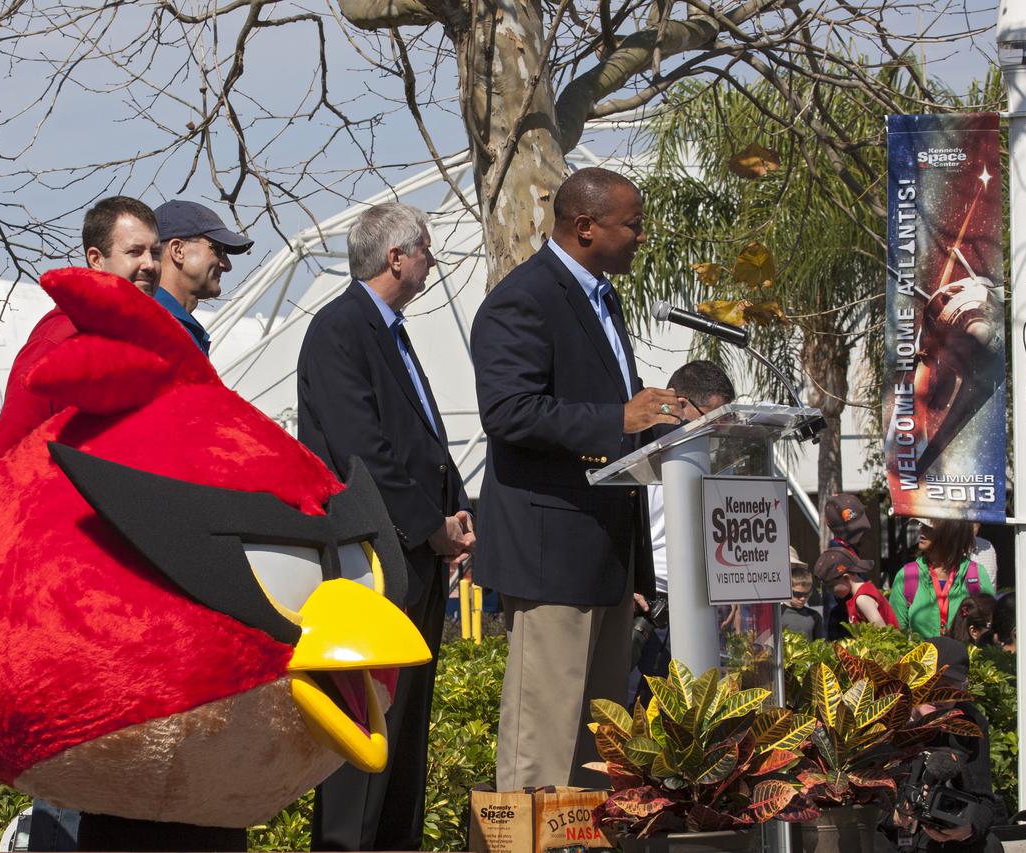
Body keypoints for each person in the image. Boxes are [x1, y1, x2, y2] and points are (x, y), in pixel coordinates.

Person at [470, 166, 680, 791]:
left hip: (606, 549)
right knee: (543, 739)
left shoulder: (601, 298)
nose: (643, 237)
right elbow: (507, 410)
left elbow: (599, 418)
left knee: (598, 740)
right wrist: (618, 416)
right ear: (585, 226)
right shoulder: (523, 299)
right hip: (551, 551)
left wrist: (658, 428)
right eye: (633, 225)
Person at [296, 201, 474, 851]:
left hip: (416, 557)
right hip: (371, 559)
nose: (433, 259)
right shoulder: (340, 329)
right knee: (363, 727)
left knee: (405, 732)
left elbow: (422, 438)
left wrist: (455, 512)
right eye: (426, 248)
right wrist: (430, 524)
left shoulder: (392, 331)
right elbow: (360, 449)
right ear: (396, 257)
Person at [0, 196, 161, 474]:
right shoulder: (58, 340)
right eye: (135, 251)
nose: (150, 264)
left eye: (155, 252)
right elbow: (6, 459)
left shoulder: (148, 341)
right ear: (96, 260)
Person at [632, 359, 735, 704]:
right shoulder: (637, 452)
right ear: (680, 405)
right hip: (650, 611)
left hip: (704, 609)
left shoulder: (718, 461)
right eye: (710, 419)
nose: (717, 431)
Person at [881, 636, 1005, 852]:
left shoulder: (970, 723)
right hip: (890, 833)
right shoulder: (884, 716)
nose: (939, 694)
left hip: (944, 836)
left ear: (962, 689)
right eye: (932, 683)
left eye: (948, 686)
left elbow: (984, 799)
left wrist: (968, 829)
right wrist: (893, 817)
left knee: (990, 846)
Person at [152, 200, 254, 354]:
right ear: (178, 250)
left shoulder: (176, 326)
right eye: (217, 249)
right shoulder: (150, 326)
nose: (227, 265)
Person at [890, 519, 994, 639]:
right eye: (921, 525)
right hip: (921, 658)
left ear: (950, 532)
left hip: (965, 657)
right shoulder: (907, 576)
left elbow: (988, 632)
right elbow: (896, 637)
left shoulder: (976, 575)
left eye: (928, 527)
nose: (921, 530)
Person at [820, 493, 873, 641]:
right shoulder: (836, 558)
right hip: (844, 634)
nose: (862, 533)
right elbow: (836, 602)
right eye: (858, 530)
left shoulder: (849, 552)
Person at [815, 550, 898, 628]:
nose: (829, 591)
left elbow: (882, 632)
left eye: (831, 586)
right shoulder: (864, 590)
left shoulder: (862, 598)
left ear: (846, 578)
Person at [780, 549, 824, 640]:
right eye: (797, 594)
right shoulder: (777, 614)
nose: (803, 598)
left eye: (807, 594)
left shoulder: (814, 616)